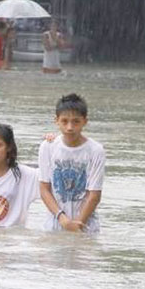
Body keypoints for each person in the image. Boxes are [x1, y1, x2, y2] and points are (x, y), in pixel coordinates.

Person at [38, 93, 105, 234]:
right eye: (64, 121)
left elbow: (94, 195)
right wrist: (62, 218)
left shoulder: (95, 150)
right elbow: (44, 189)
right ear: (56, 121)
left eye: (76, 122)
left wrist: (78, 224)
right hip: (53, 225)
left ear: (85, 121)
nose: (69, 127)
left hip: (86, 226)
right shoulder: (48, 147)